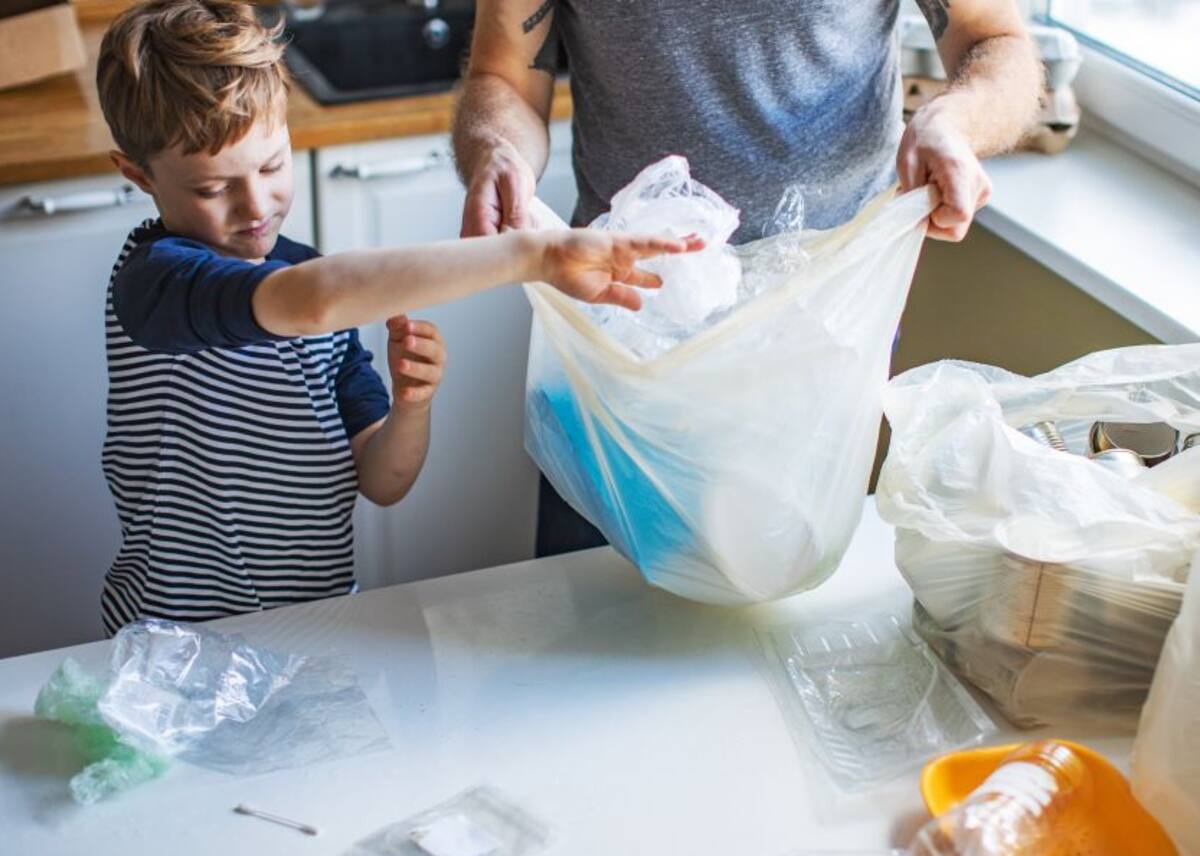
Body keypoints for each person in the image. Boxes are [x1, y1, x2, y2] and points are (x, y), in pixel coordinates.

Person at [94, 0, 703, 635]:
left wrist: (412, 408)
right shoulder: (157, 282)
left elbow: (383, 481)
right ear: (137, 174)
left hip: (320, 626)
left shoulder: (320, 292)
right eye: (213, 189)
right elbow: (311, 300)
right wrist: (533, 254)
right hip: (170, 637)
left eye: (272, 166)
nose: (255, 205)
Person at [453, 0, 1043, 557]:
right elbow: (503, 76)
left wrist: (953, 121)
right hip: (625, 328)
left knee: (788, 615)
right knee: (593, 612)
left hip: (822, 329)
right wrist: (496, 152)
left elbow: (994, 39)